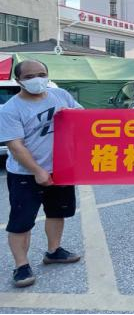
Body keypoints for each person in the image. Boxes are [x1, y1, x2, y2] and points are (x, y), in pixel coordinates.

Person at [0, 60, 83, 288]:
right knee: (21, 221)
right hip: (25, 175)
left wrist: (72, 115)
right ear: (18, 80)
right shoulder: (10, 110)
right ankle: (21, 266)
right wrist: (37, 171)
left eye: (41, 74)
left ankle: (54, 251)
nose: (37, 79)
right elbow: (15, 146)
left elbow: (81, 118)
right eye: (29, 76)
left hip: (61, 169)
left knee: (57, 212)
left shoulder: (61, 95)